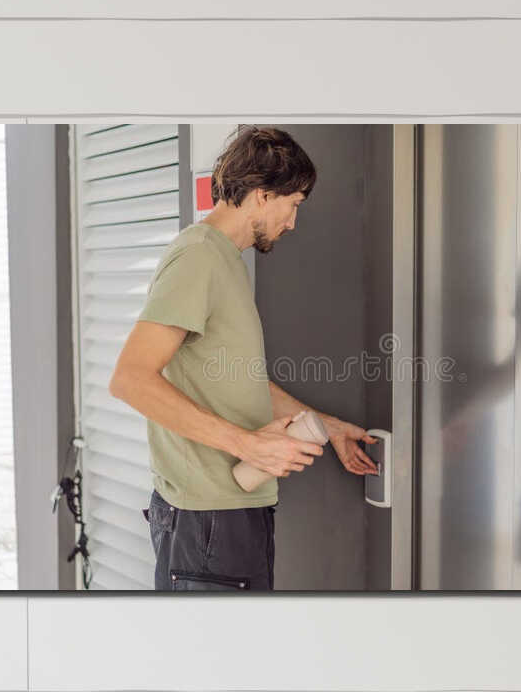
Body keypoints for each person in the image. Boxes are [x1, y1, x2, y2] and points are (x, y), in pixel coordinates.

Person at [107, 126, 377, 591]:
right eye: (292, 204)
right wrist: (247, 445)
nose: (292, 222)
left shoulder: (224, 260)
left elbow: (237, 382)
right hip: (207, 523)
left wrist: (328, 427)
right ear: (260, 194)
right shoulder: (198, 259)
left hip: (229, 514)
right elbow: (131, 379)